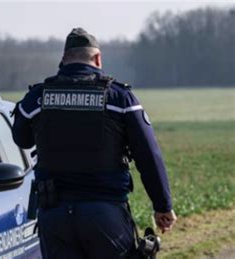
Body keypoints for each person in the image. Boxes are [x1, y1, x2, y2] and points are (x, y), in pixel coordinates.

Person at [12, 28, 177, 258]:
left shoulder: (37, 98)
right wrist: (162, 205)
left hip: (55, 216)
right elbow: (148, 155)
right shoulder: (120, 98)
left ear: (63, 60)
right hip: (105, 214)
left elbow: (21, 138)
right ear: (98, 59)